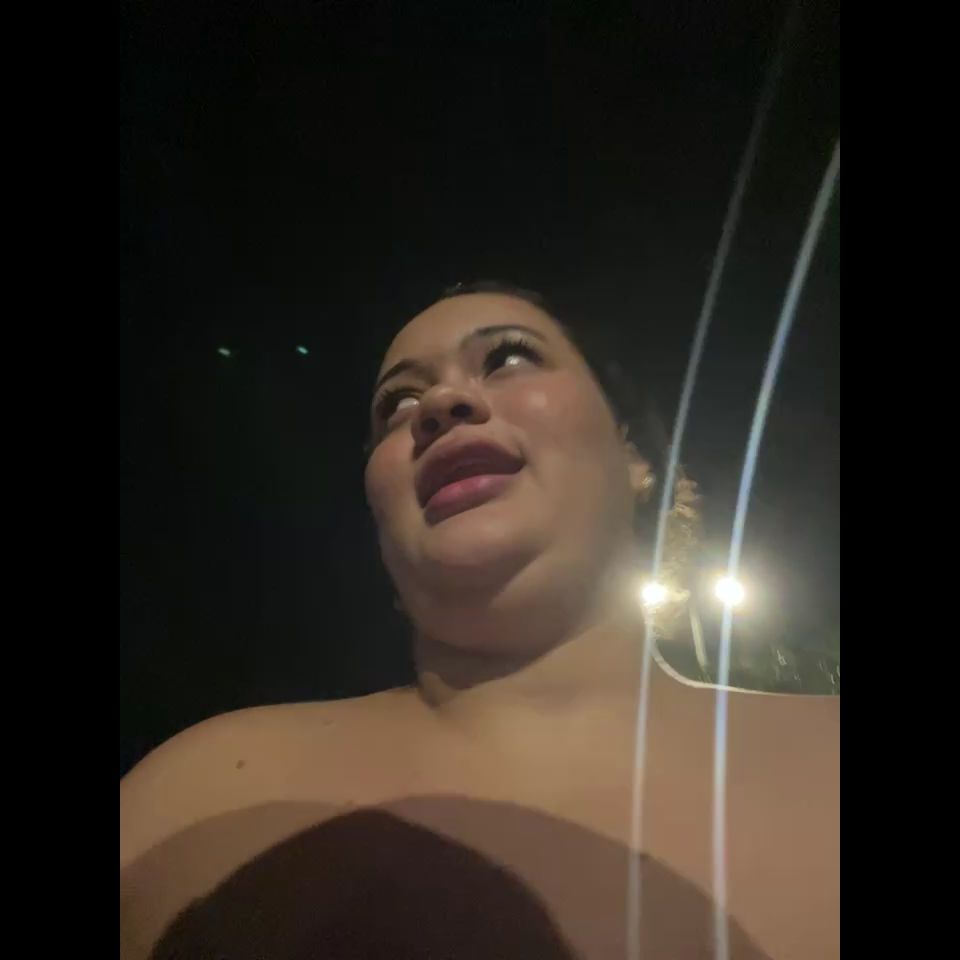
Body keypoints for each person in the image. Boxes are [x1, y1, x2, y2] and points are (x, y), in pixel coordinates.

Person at [120, 284, 839, 959]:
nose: (440, 402)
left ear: (635, 456)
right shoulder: (190, 798)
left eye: (509, 358)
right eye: (398, 403)